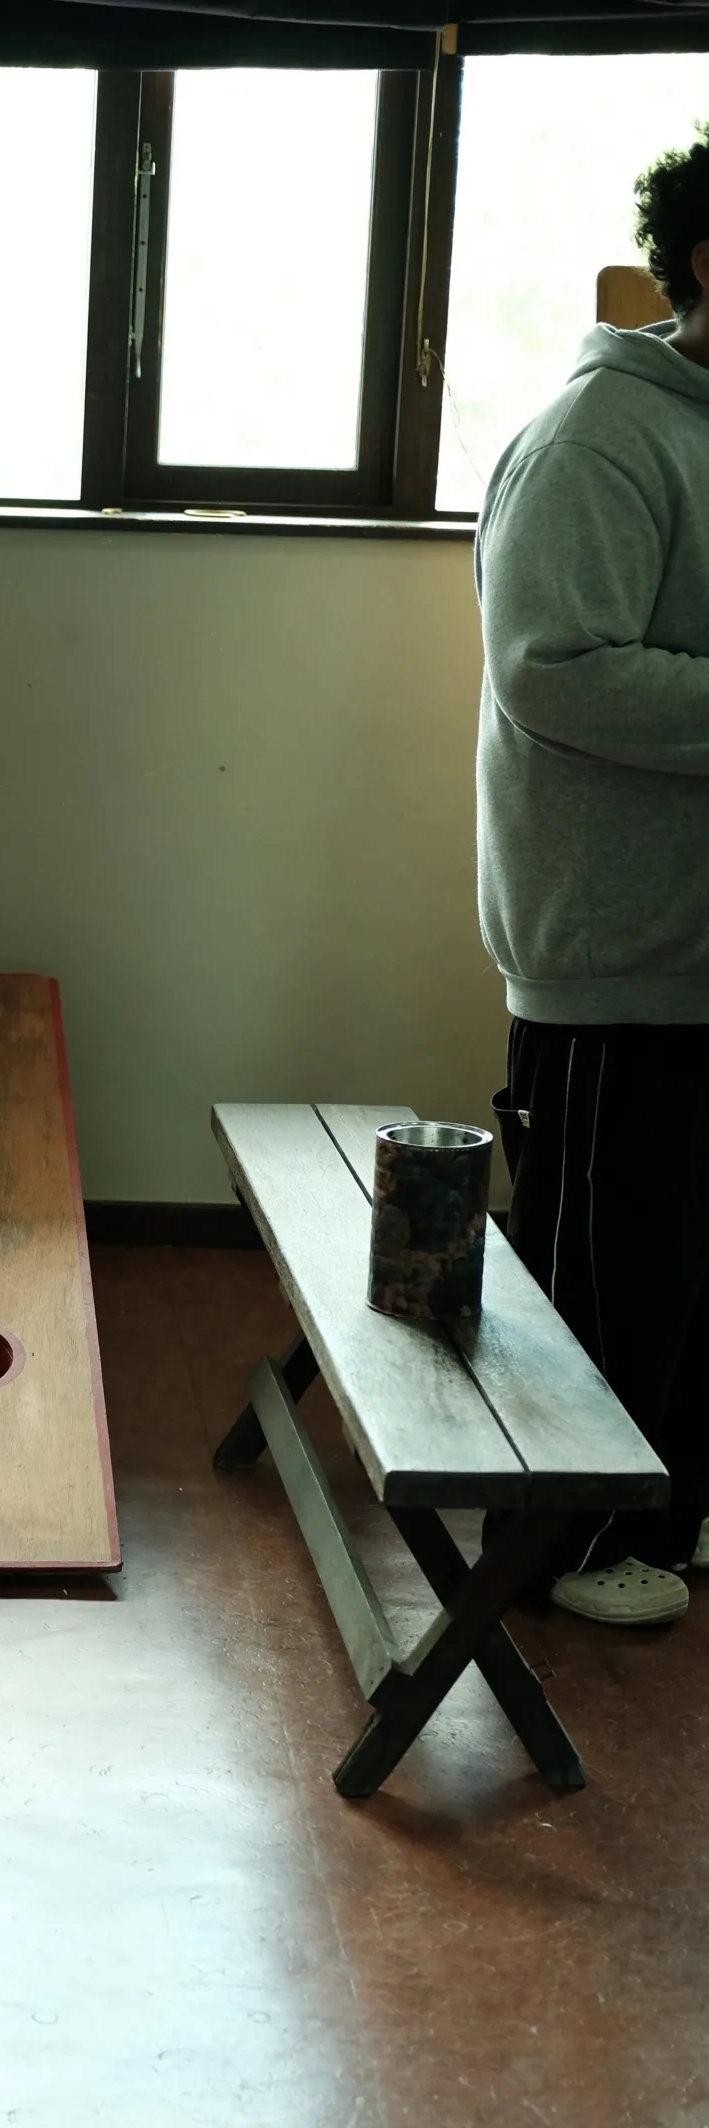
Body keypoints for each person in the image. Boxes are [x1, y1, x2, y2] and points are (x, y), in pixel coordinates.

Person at [475, 126, 709, 1628]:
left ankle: (668, 1512)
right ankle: (566, 1543)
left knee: (692, 1265)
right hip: (620, 945)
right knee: (612, 1269)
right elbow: (552, 671)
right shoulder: (599, 436)